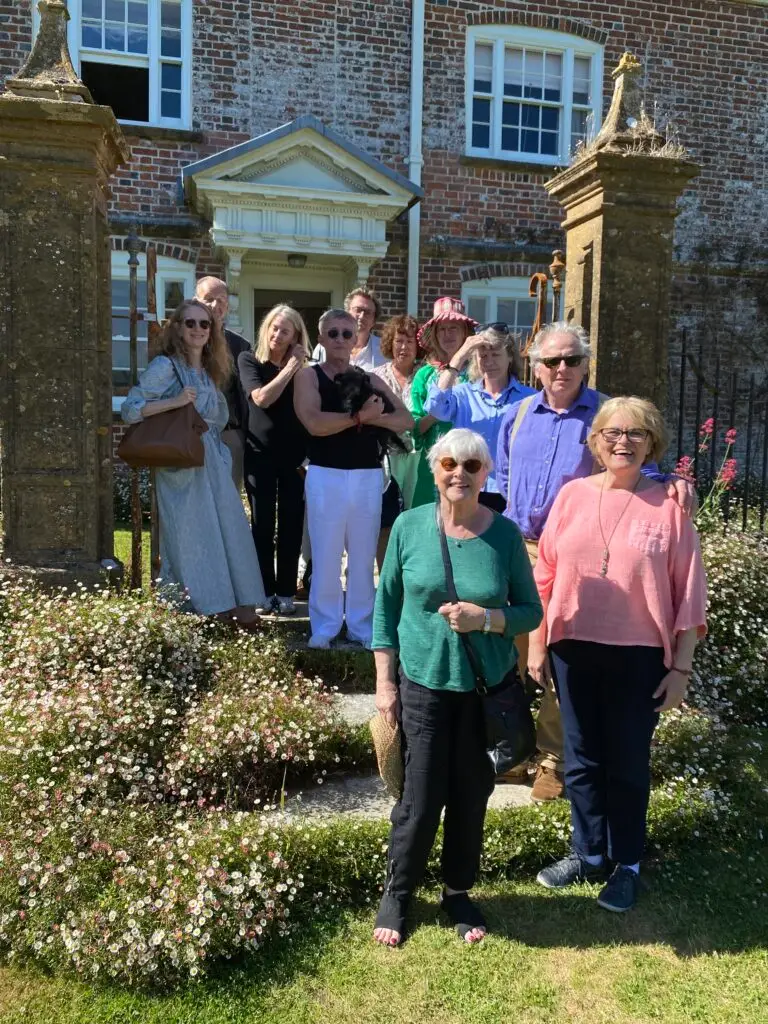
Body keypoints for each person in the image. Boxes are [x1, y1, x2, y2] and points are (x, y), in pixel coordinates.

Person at [495, 322, 696, 802]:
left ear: (586, 363)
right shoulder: (518, 414)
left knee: (557, 661)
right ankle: (514, 749)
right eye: (551, 361)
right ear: (536, 366)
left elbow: (634, 462)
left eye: (571, 360)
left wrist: (671, 480)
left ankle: (553, 760)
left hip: (575, 556)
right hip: (516, 549)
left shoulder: (605, 415)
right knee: (516, 660)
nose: (560, 369)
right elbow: (499, 480)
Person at [533, 397, 707, 913]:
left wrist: (681, 666)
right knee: (581, 758)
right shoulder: (571, 497)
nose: (622, 441)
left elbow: (689, 591)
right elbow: (544, 573)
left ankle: (626, 863)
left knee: (628, 762)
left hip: (639, 655)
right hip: (572, 645)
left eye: (635, 434)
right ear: (596, 441)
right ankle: (587, 854)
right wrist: (539, 642)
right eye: (611, 432)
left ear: (651, 443)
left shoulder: (670, 506)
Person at [372, 429, 543, 946]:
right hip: (423, 684)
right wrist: (385, 682)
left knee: (472, 796)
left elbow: (530, 612)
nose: (459, 474)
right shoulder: (407, 527)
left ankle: (457, 892)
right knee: (419, 799)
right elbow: (386, 609)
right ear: (433, 469)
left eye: (472, 466)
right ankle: (398, 895)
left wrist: (485, 618)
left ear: (485, 473)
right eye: (449, 463)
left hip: (484, 690)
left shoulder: (505, 537)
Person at [121, 299, 266, 626]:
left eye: (205, 324)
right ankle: (203, 607)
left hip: (212, 461)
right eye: (190, 323)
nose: (198, 329)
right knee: (192, 537)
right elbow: (130, 408)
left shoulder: (210, 370)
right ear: (178, 328)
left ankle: (234, 604)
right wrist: (173, 402)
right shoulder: (166, 366)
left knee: (227, 531)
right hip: (181, 465)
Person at [294, 308, 413, 649]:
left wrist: (370, 419)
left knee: (362, 557)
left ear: (357, 338)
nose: (341, 340)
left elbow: (403, 419)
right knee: (326, 554)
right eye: (333, 333)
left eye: (348, 333)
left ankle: (362, 626)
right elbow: (314, 423)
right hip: (325, 474)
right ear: (321, 338)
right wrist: (362, 417)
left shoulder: (370, 378)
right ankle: (325, 626)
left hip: (366, 476)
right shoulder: (308, 377)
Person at [238, 305, 311, 616]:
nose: (278, 335)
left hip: (294, 457)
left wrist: (297, 366)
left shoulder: (305, 371)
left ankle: (285, 594)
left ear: (296, 337)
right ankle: (264, 591)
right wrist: (291, 368)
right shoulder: (249, 361)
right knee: (262, 524)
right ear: (265, 329)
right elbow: (262, 398)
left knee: (292, 525)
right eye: (274, 328)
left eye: (286, 331)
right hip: (260, 456)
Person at [425, 324, 535, 512]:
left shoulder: (529, 399)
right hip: (467, 487)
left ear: (509, 357)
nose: (489, 361)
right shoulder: (463, 394)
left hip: (509, 491)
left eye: (496, 355)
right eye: (483, 356)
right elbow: (435, 407)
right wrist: (459, 357)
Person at [410, 297, 477, 508]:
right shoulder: (424, 375)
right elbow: (415, 429)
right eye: (442, 329)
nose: (447, 335)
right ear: (435, 335)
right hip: (434, 463)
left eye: (454, 328)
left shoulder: (479, 372)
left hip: (471, 462)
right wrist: (436, 413)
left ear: (465, 333)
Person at [372, 314, 422, 565]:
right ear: (390, 343)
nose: (404, 347)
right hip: (386, 460)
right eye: (399, 341)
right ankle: (386, 578)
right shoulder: (376, 376)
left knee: (416, 520)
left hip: (420, 458)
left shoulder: (426, 376)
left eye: (410, 341)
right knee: (386, 522)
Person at [195, 276, 250, 490]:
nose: (216, 305)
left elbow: (244, 396)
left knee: (229, 500)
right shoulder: (181, 341)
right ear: (195, 300)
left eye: (222, 300)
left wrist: (244, 436)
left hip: (229, 435)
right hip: (190, 434)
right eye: (209, 298)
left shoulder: (240, 345)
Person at [311, 286, 386, 369]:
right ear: (346, 312)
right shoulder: (324, 346)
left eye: (368, 312)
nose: (361, 316)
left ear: (374, 320)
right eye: (358, 310)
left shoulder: (384, 350)